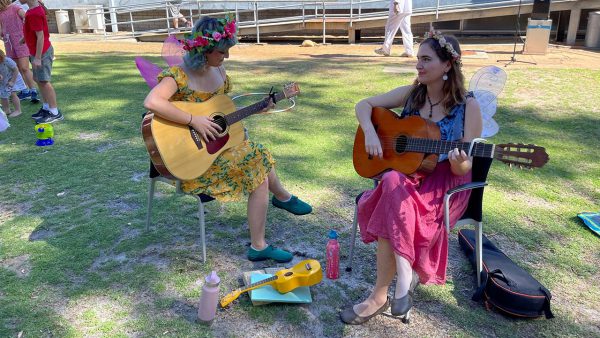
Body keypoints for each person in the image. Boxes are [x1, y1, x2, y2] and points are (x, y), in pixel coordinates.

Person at [144, 16, 312, 263]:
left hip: (214, 151)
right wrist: (193, 120)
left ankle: (271, 220)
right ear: (204, 50)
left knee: (256, 157)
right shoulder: (178, 75)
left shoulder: (219, 71)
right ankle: (269, 225)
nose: (227, 57)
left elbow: (221, 111)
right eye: (222, 52)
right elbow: (152, 102)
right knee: (258, 164)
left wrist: (259, 108)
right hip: (191, 162)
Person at [341, 31, 482, 325]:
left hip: (444, 185)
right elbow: (363, 105)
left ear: (447, 66)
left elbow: (465, 167)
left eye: (426, 59)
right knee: (392, 181)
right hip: (407, 175)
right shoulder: (411, 94)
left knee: (393, 189)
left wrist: (459, 162)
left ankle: (378, 296)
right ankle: (403, 275)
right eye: (418, 58)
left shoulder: (468, 106)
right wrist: (370, 133)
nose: (418, 65)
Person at [19, 0, 62, 123]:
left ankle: (55, 112)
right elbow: (32, 30)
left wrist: (38, 57)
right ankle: (46, 108)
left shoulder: (34, 13)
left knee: (44, 81)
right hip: (36, 51)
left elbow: (41, 36)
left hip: (42, 52)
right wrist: (24, 38)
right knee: (38, 80)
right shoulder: (31, 10)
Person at [0, 0, 39, 103]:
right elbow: (2, 28)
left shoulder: (15, 7)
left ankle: (33, 91)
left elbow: (27, 17)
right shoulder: (0, 12)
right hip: (9, 43)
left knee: (24, 67)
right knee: (16, 68)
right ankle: (24, 90)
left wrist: (26, 32)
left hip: (21, 41)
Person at [0, 48, 26, 117]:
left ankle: (18, 110)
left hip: (13, 78)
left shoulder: (7, 60)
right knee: (3, 94)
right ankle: (7, 110)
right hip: (4, 80)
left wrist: (12, 81)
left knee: (12, 93)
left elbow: (16, 70)